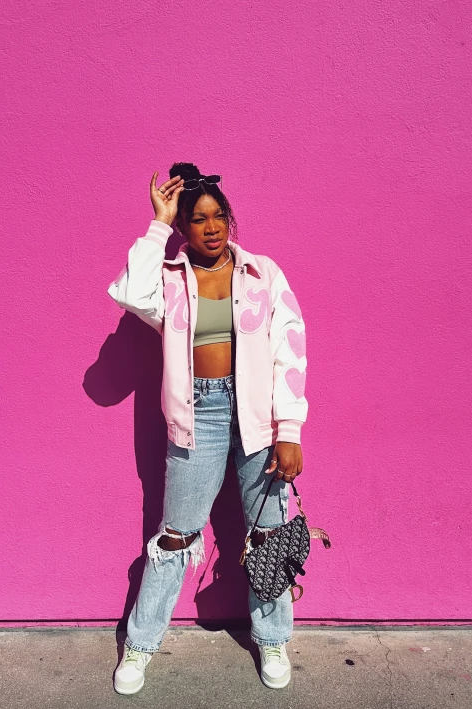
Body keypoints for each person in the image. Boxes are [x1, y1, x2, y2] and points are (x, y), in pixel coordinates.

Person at [107, 163, 308, 694]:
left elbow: (290, 346)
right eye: (198, 220)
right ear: (184, 229)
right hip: (200, 415)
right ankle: (141, 644)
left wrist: (290, 428)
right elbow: (128, 290)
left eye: (220, 216)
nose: (213, 227)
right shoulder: (171, 281)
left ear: (231, 220)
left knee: (268, 532)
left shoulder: (263, 273)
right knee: (175, 537)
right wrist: (157, 223)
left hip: (259, 419)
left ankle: (272, 637)